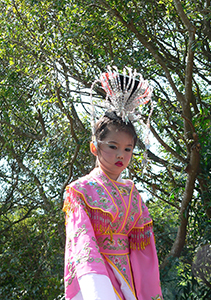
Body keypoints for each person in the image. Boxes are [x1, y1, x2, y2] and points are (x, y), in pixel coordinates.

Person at [63, 66, 163, 300]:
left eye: (128, 149)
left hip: (128, 279)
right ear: (94, 147)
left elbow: (145, 251)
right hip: (97, 277)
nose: (121, 155)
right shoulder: (80, 191)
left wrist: (147, 292)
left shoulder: (132, 194)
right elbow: (82, 240)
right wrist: (98, 288)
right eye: (112, 146)